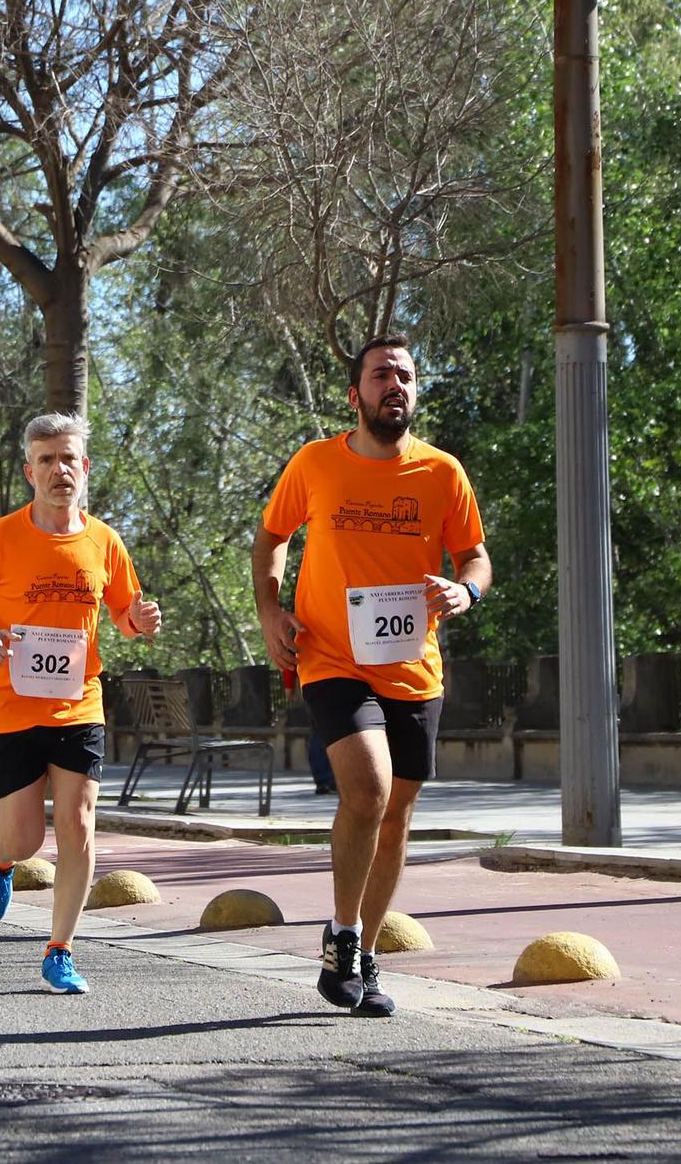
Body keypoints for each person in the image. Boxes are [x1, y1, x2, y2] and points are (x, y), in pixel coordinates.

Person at [253, 332, 491, 1017]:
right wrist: (271, 610)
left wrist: (464, 591)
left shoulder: (442, 473)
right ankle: (343, 931)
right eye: (383, 374)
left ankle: (360, 949)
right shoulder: (316, 464)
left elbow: (475, 556)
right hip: (329, 654)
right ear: (355, 394)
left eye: (407, 376)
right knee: (369, 788)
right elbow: (272, 537)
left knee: (396, 816)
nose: (397, 385)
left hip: (414, 667)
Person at [0, 414, 161, 994]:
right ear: (29, 472)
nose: (59, 469)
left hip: (78, 704)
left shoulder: (104, 541)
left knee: (79, 825)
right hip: (12, 706)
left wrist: (138, 622)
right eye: (47, 460)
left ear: (84, 468)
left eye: (69, 459)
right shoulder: (2, 536)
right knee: (26, 837)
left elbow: (125, 612)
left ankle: (60, 949)